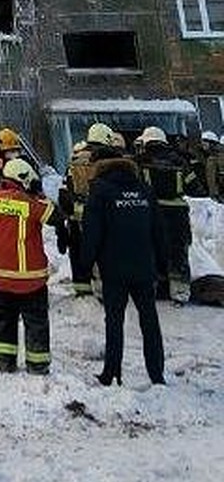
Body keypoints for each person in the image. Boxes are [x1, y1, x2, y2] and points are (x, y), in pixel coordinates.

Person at [80, 141, 166, 386]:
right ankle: (156, 372)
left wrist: (85, 264)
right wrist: (162, 262)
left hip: (113, 268)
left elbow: (92, 232)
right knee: (149, 320)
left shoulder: (100, 191)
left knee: (114, 320)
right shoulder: (144, 190)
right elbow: (158, 229)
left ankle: (112, 371)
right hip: (143, 266)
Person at [0, 158, 61, 375]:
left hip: (0, 278)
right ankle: (37, 363)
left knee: (3, 321)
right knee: (36, 323)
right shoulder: (29, 203)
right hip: (30, 280)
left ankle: (5, 361)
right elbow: (56, 217)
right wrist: (39, 194)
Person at [135, 126, 198, 304]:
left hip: (151, 211)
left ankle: (154, 289)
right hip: (177, 213)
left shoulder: (141, 161)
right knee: (178, 251)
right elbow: (194, 187)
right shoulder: (179, 161)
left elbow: (135, 185)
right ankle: (180, 293)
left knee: (151, 249)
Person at [59, 134, 101, 297]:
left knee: (77, 251)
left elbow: (63, 195)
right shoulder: (97, 166)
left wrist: (67, 215)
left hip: (75, 219)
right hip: (95, 216)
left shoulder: (72, 168)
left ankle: (82, 287)